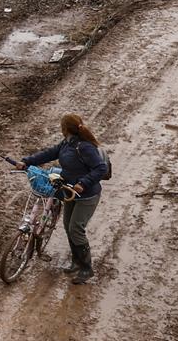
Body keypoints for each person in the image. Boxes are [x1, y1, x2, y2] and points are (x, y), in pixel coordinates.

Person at [11, 114, 109, 284]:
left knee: (76, 229)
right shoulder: (67, 143)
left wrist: (83, 183)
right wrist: (27, 162)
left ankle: (87, 268)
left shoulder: (85, 147)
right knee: (67, 226)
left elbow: (100, 168)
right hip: (68, 191)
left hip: (86, 195)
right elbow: (49, 154)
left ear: (65, 129)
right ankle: (76, 262)